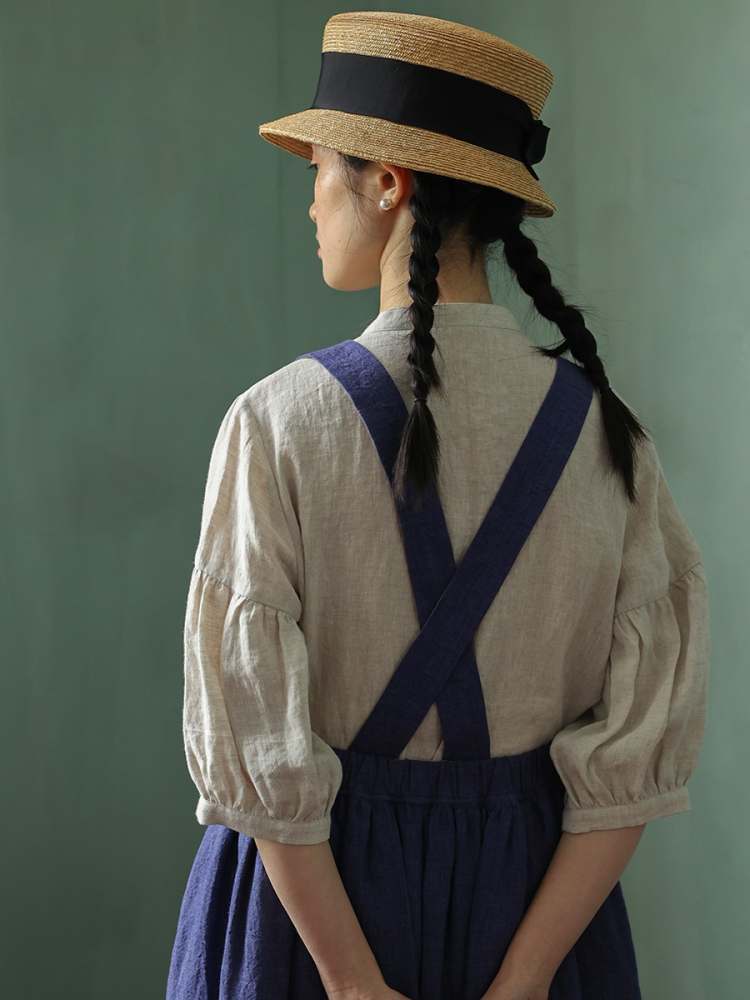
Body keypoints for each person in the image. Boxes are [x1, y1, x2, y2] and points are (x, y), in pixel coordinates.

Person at [166, 11, 710, 1000]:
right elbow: (635, 755)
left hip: (306, 921)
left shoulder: (276, 424)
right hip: (535, 907)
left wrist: (349, 982)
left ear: (387, 182)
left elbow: (257, 744)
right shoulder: (609, 438)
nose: (309, 201)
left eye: (318, 169)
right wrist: (528, 977)